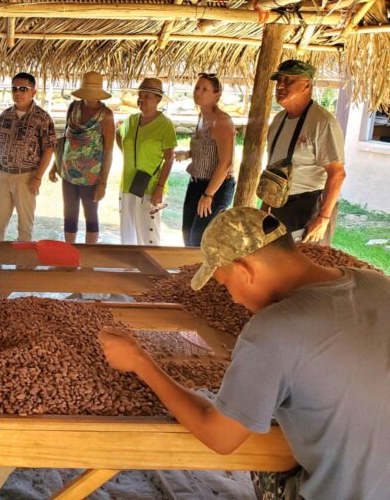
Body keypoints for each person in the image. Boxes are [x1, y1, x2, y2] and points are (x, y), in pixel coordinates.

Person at [99, 206, 390, 500]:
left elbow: (220, 437)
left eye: (225, 285)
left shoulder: (273, 330)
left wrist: (140, 361)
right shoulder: (378, 283)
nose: (234, 299)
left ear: (244, 269)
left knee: (266, 449)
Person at [264, 60, 345, 245]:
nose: (281, 86)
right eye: (279, 80)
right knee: (279, 265)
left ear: (306, 85)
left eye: (289, 80)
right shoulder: (278, 120)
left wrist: (323, 217)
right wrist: (265, 208)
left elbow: (337, 173)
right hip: (279, 204)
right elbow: (273, 168)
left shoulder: (322, 122)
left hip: (310, 206)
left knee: (306, 268)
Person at [48, 71, 115, 244]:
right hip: (68, 172)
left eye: (93, 95)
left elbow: (108, 150)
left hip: (91, 177)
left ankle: (89, 256)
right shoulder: (73, 107)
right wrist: (55, 166)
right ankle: (69, 252)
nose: (90, 98)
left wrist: (103, 183)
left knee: (90, 215)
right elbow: (65, 138)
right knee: (69, 214)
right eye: (87, 93)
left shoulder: (106, 115)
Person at [0, 73, 56, 241]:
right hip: (3, 175)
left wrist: (38, 177)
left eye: (23, 89)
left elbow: (49, 149)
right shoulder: (5, 115)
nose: (17, 92)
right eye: (14, 89)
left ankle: (23, 265)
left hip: (27, 176)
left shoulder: (42, 118)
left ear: (33, 92)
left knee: (25, 227)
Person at [176, 73, 236, 246]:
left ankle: (205, 272)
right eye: (197, 87)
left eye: (204, 89)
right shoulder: (202, 117)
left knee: (200, 238)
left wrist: (208, 195)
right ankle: (190, 271)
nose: (198, 92)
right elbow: (208, 150)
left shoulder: (222, 121)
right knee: (187, 233)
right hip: (196, 183)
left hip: (216, 187)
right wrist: (188, 154)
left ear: (217, 95)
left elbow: (225, 162)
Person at [116, 77, 176, 245]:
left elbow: (169, 158)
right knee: (127, 233)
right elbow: (118, 135)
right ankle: (131, 269)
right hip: (127, 184)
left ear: (158, 100)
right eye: (140, 95)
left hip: (150, 186)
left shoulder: (165, 125)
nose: (141, 99)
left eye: (147, 96)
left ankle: (151, 270)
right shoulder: (131, 120)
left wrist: (160, 188)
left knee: (148, 236)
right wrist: (127, 154)